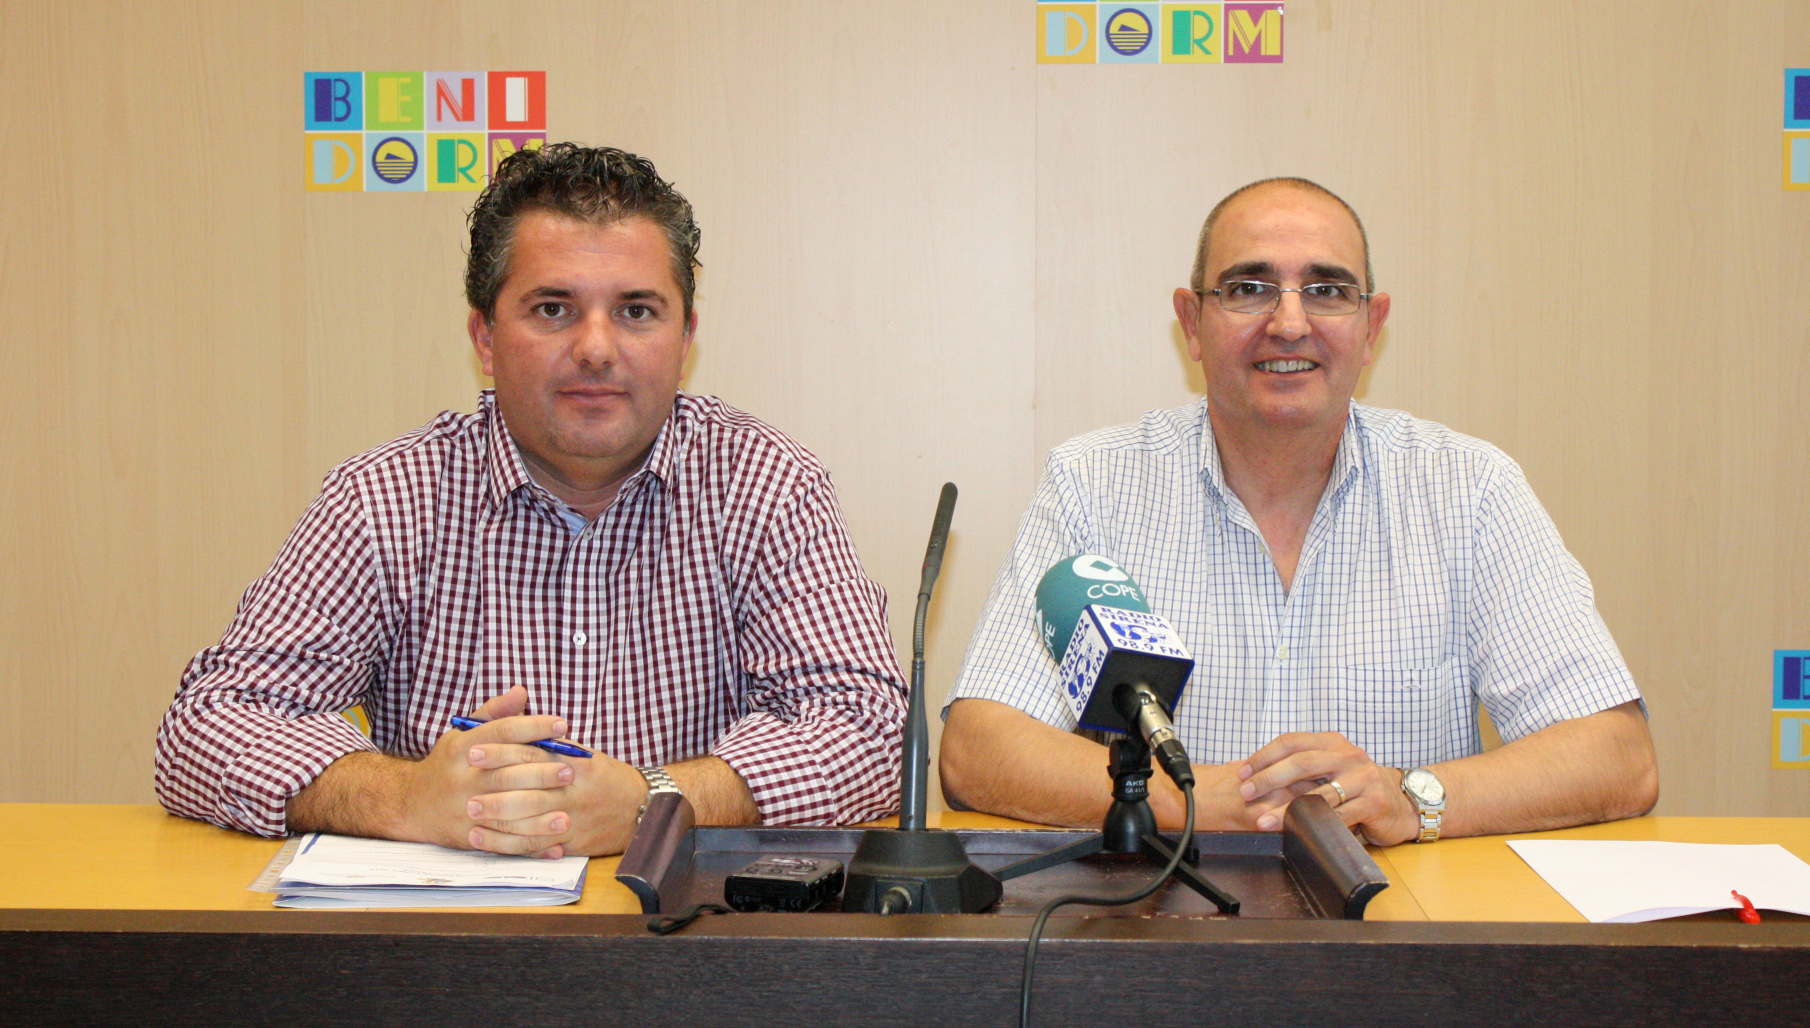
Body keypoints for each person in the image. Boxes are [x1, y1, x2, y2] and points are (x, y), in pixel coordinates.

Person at [156, 144, 907, 858]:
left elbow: (871, 732)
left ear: (685, 339)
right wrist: (406, 797)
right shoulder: (386, 498)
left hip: (681, 934)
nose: (596, 348)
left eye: (636, 311)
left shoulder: (766, 486)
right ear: (484, 338)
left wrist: (656, 800)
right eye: (553, 309)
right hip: (454, 933)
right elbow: (210, 723)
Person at [940, 177, 1657, 846]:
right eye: (1249, 289)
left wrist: (1407, 798)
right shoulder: (1094, 484)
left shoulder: (1468, 489)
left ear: (1371, 327)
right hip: (1162, 921)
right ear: (1192, 323)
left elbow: (1618, 757)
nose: (1289, 323)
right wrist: (1194, 800)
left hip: (1399, 924)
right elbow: (977, 749)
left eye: (1327, 290)